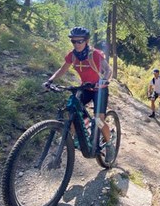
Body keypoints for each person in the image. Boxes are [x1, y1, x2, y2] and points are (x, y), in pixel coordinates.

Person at [43, 26, 115, 162]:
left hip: (99, 89)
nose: (76, 44)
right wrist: (50, 80)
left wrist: (103, 80)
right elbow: (63, 69)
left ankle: (109, 145)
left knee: (99, 120)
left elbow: (108, 70)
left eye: (79, 41)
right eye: (73, 42)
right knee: (72, 108)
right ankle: (75, 135)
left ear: (86, 41)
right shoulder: (73, 55)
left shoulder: (94, 54)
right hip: (85, 88)